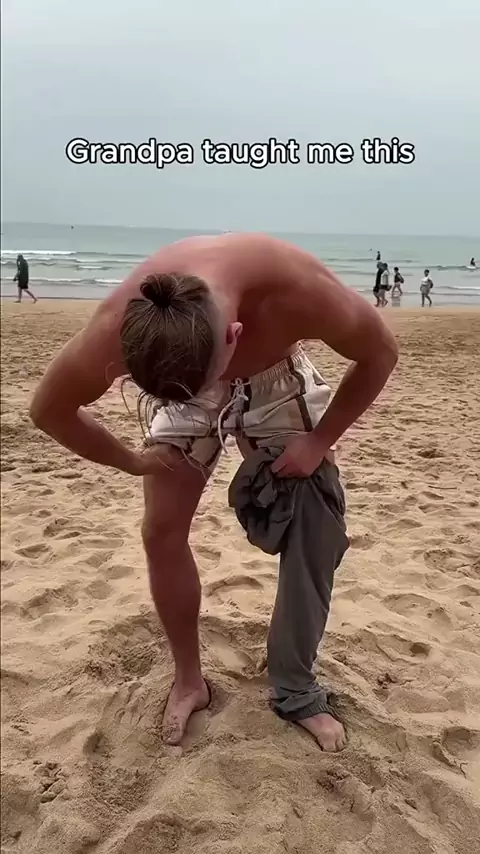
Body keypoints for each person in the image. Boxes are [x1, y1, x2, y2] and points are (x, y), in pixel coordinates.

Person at [29, 233, 398, 752]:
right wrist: (133, 461)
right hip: (182, 377)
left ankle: (295, 690)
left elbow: (381, 352)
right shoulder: (123, 323)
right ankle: (189, 681)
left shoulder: (298, 291)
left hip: (272, 375)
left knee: (316, 522)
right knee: (160, 530)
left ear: (234, 336)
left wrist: (319, 441)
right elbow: (48, 409)